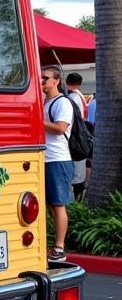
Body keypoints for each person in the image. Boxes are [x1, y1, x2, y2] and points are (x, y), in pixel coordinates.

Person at [41, 66, 73, 261]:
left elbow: (60, 128)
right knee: (45, 205)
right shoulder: (44, 102)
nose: (42, 81)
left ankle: (59, 248)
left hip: (58, 159)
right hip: (43, 159)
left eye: (45, 78)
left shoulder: (63, 103)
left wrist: (37, 119)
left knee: (57, 204)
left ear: (56, 81)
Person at [65, 73, 88, 201]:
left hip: (75, 137)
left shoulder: (72, 97)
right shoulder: (80, 96)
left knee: (76, 174)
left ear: (67, 81)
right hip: (81, 135)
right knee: (79, 171)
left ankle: (77, 201)